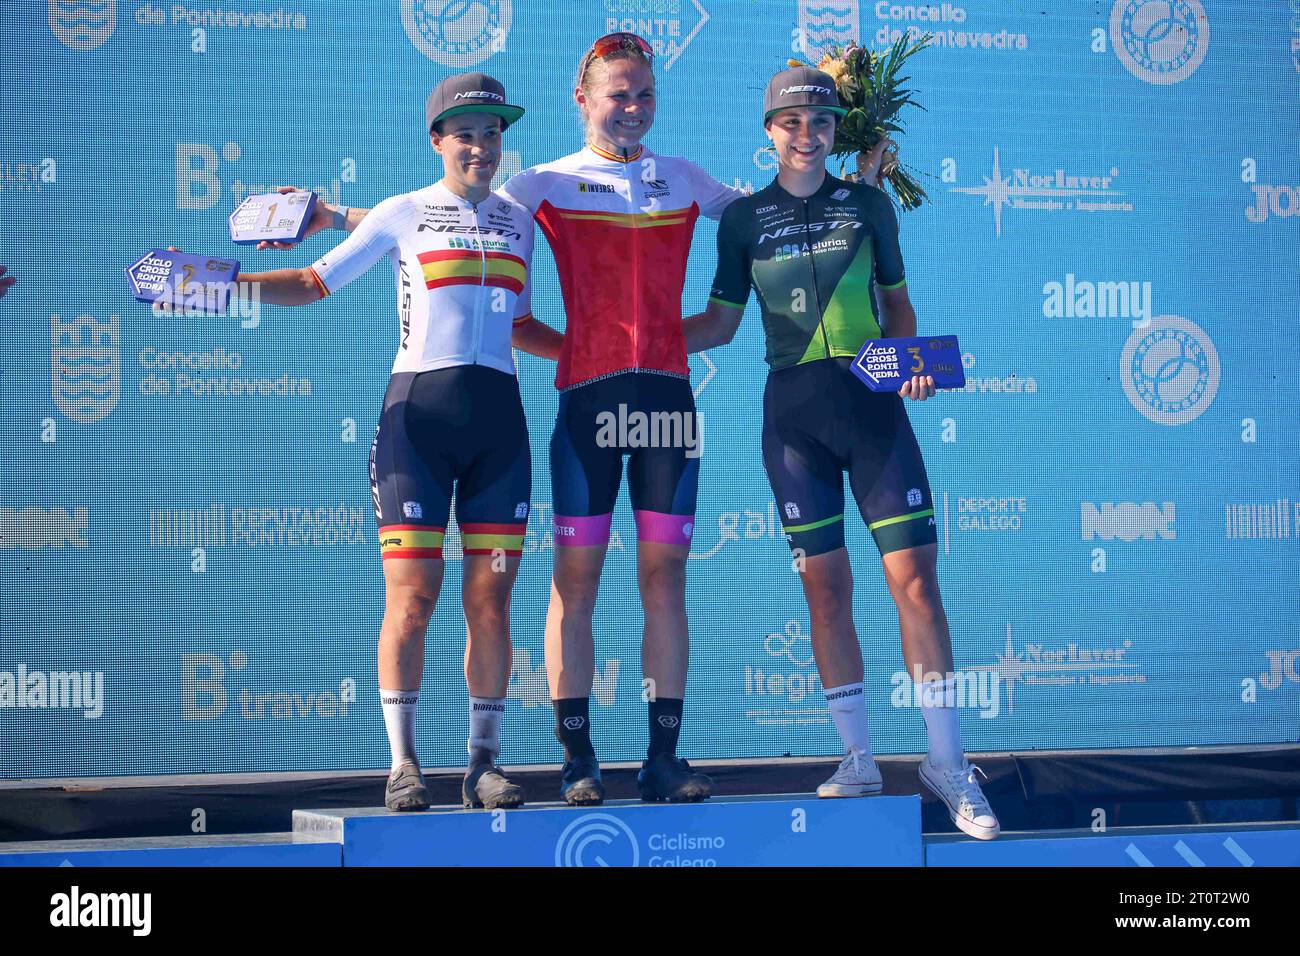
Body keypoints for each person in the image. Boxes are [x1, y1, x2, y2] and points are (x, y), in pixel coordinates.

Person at [281, 34, 747, 805]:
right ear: (583, 100)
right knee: (576, 580)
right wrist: (338, 218)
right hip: (587, 402)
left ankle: (664, 759)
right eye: (617, 95)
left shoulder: (688, 177)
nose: (631, 110)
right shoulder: (542, 183)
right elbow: (440, 217)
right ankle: (578, 760)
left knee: (665, 579)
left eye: (644, 96)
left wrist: (850, 185)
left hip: (666, 402)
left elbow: (763, 222)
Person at [178, 73, 562, 812]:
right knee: (413, 599)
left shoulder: (516, 221)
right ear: (437, 140)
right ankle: (404, 764)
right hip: (415, 425)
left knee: (491, 601)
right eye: (465, 133)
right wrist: (221, 284)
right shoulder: (399, 212)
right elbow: (312, 280)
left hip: (499, 428)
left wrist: (592, 358)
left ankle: (483, 764)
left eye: (491, 132)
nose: (480, 147)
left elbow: (518, 325)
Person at [683, 66, 1001, 840]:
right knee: (826, 593)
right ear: (769, 131)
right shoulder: (742, 220)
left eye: (819, 122)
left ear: (836, 130)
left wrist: (912, 364)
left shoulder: (867, 204)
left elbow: (896, 304)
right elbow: (721, 323)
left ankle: (947, 762)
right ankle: (856, 757)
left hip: (874, 411)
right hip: (792, 418)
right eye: (790, 122)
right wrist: (634, 344)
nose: (805, 134)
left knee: (916, 587)